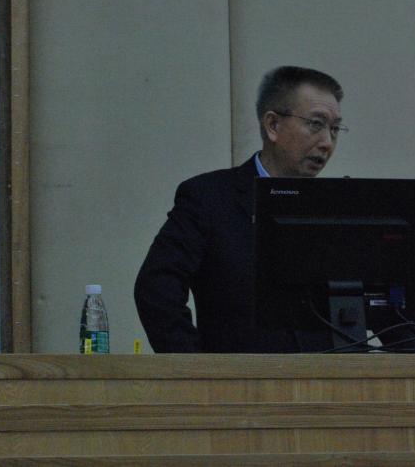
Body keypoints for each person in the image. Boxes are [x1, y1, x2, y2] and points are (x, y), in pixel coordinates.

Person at [134, 66, 345, 352]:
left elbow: (384, 299)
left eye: (334, 129)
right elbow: (157, 287)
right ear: (273, 125)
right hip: (238, 377)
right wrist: (193, 367)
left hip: (331, 376)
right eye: (316, 124)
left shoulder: (338, 206)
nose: (327, 143)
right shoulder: (209, 198)